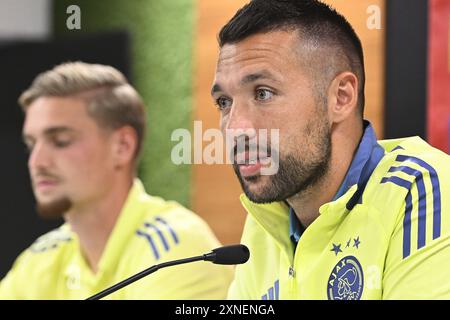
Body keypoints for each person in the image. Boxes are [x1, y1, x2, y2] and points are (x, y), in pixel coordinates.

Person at [211, 0, 450, 300]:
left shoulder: (424, 189)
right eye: (224, 102)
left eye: (263, 93)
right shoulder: (266, 218)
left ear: (340, 97)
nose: (234, 128)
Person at [0, 62, 233, 299]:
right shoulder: (40, 259)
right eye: (31, 144)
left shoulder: (177, 250)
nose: (36, 162)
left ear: (122, 146)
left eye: (61, 141)